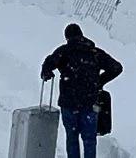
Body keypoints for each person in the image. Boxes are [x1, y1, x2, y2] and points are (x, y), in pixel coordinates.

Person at [41, 23, 123, 158]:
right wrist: (99, 82)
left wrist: (46, 73)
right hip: (90, 103)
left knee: (72, 138)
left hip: (69, 103)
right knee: (89, 139)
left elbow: (48, 64)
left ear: (67, 38)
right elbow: (117, 68)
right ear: (81, 35)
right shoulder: (95, 52)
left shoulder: (64, 51)